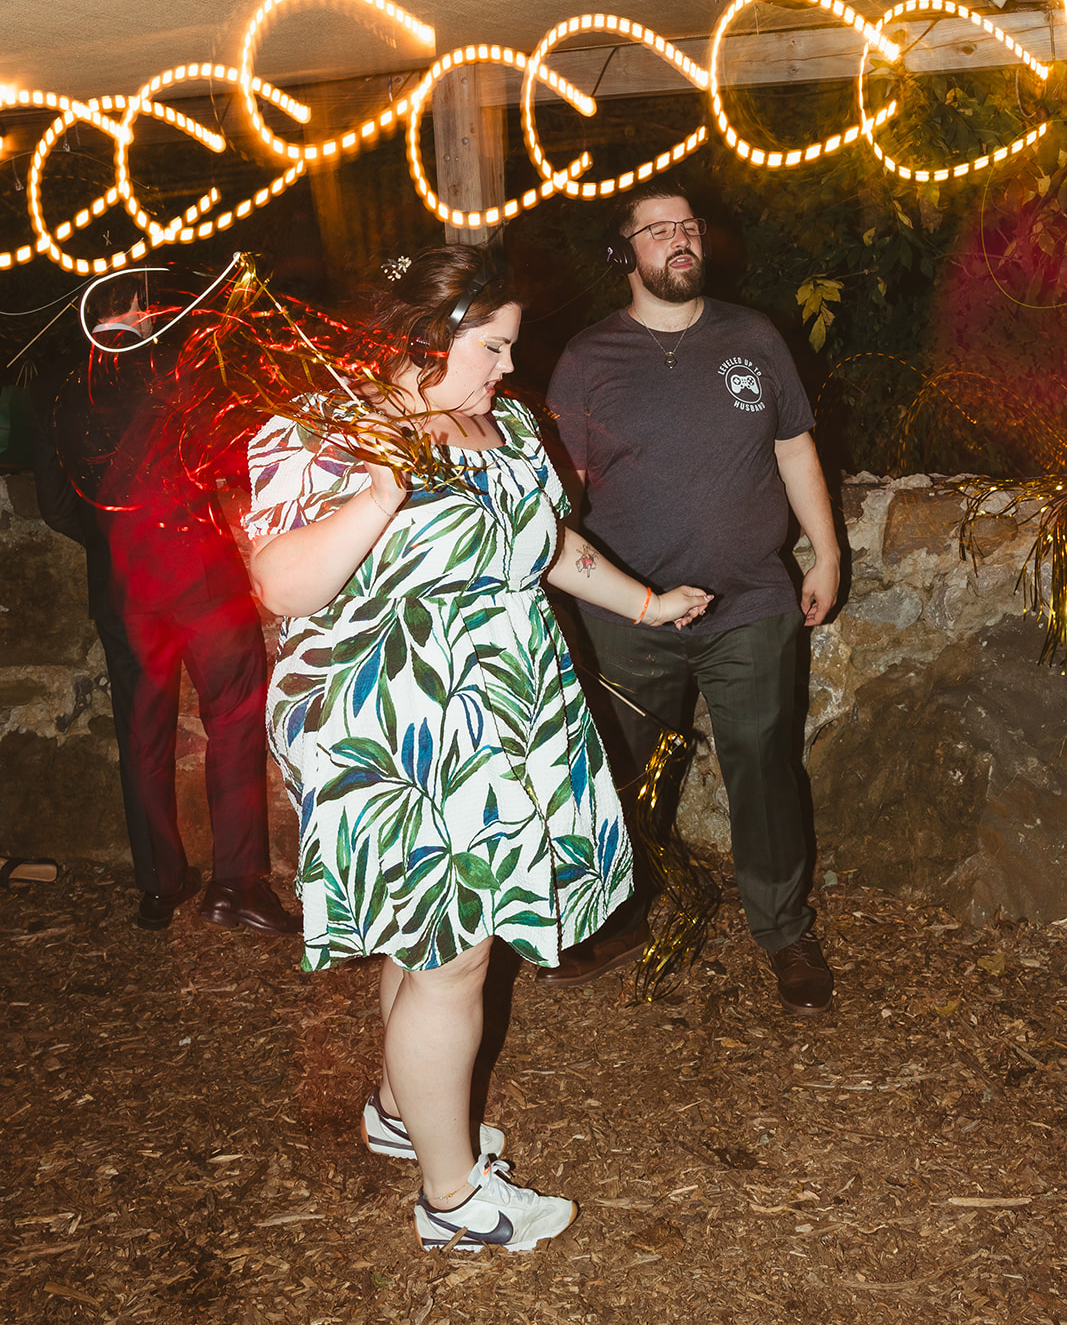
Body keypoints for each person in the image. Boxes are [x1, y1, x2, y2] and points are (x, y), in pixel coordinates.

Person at [244, 246, 708, 1252]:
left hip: (506, 709)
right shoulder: (322, 429)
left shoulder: (499, 427)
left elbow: (543, 546)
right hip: (395, 727)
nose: (506, 365)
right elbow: (281, 586)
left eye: (506, 346)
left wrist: (644, 599)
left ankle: (400, 1113)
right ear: (425, 335)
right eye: (490, 344)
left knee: (430, 941)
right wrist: (373, 492)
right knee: (454, 950)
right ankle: (452, 1200)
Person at [545, 176, 841, 1016]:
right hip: (627, 614)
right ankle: (618, 911)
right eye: (657, 231)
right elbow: (555, 489)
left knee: (763, 767)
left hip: (749, 601)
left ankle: (784, 930)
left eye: (689, 226)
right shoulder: (586, 359)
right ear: (625, 254)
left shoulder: (753, 338)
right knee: (623, 773)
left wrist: (824, 553)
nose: (680, 241)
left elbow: (793, 450)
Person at [35, 272, 297, 936]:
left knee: (141, 738)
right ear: (128, 310)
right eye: (145, 302)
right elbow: (239, 464)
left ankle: (159, 886)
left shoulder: (61, 392)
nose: (156, 313)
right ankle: (237, 884)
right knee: (235, 720)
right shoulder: (178, 375)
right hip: (202, 583)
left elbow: (56, 508)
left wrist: (114, 547)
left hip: (123, 593)